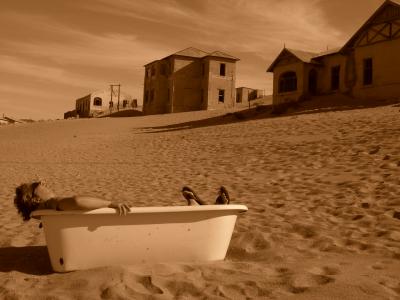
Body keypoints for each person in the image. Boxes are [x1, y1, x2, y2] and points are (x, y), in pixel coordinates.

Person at [14, 181, 231, 221]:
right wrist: (110, 204)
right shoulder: (53, 204)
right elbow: (78, 201)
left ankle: (195, 206)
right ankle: (200, 209)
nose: (43, 183)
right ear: (34, 197)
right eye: (36, 185)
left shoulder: (45, 212)